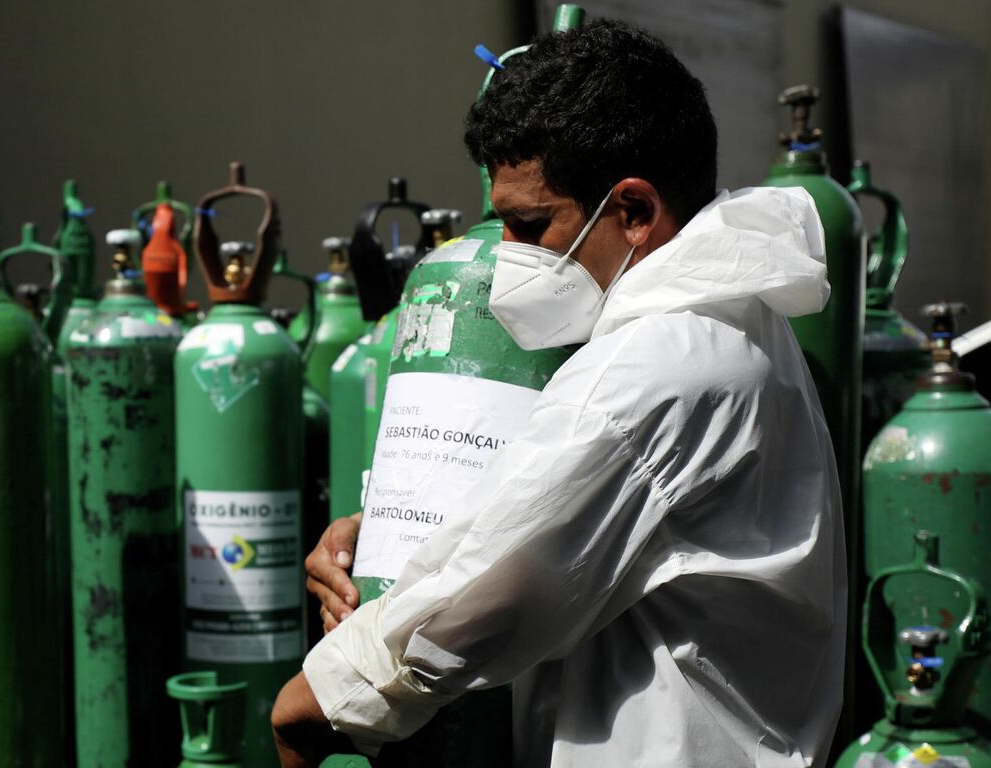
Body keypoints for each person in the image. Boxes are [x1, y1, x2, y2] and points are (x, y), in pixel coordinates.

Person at [272, 20, 845, 767]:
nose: (506, 257)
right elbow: (553, 512)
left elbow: (474, 602)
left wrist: (304, 708)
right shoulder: (733, 317)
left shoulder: (657, 370)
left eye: (530, 225)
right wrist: (389, 533)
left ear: (633, 212)